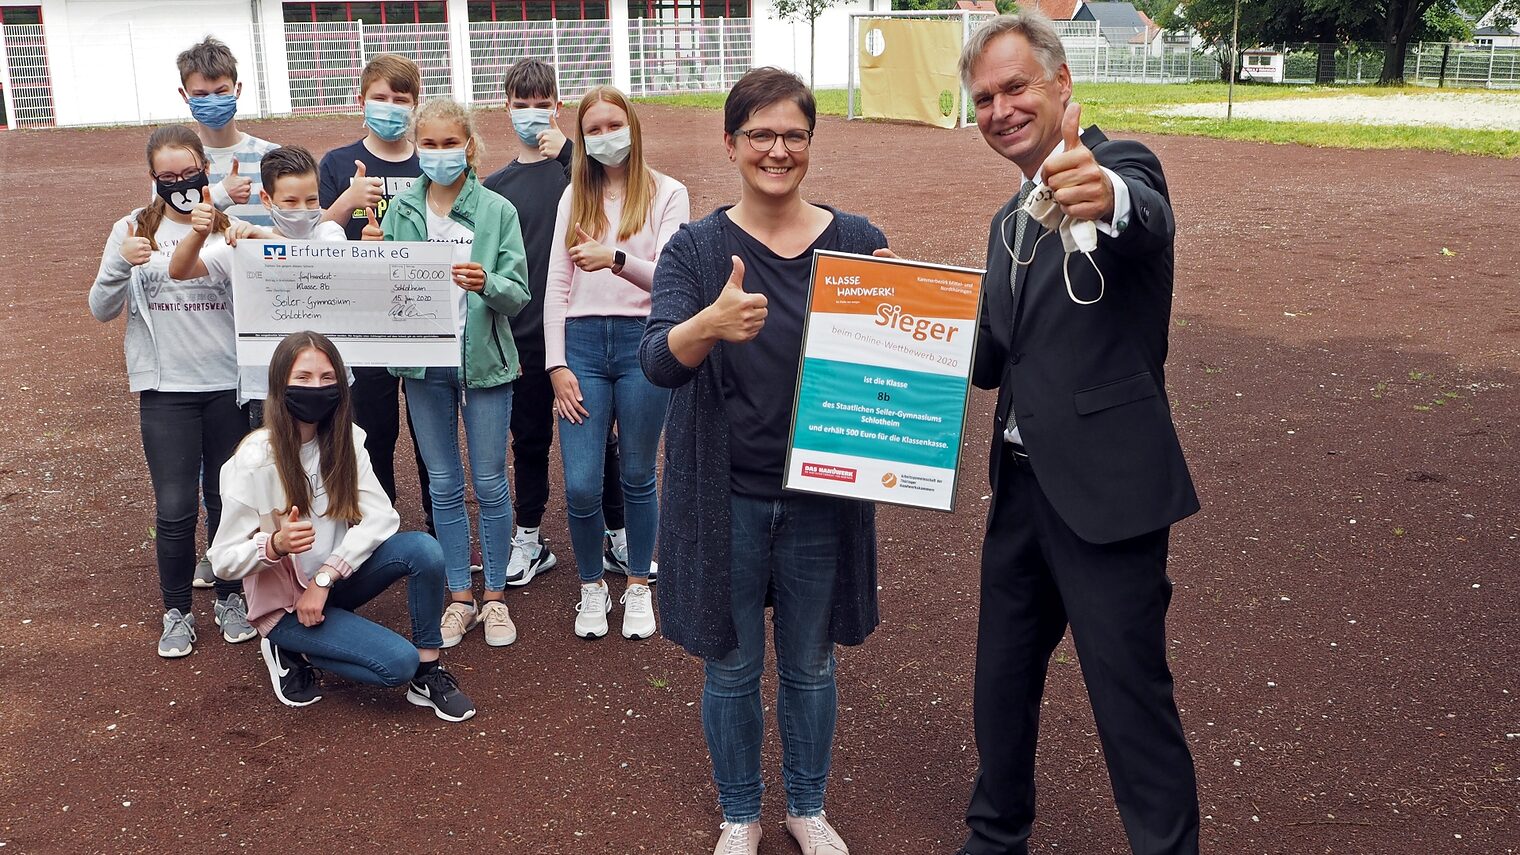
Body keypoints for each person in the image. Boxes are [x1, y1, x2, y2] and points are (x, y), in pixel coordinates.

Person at [954, 13, 1200, 855]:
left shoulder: (1118, 165)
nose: (1000, 109)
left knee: (1130, 695)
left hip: (1108, 491)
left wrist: (1113, 196)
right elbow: (989, 359)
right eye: (984, 97)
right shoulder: (1004, 225)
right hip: (1020, 490)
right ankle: (995, 837)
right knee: (1002, 682)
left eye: (1016, 87)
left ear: (1062, 84)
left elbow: (1147, 216)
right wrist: (887, 335)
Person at [639, 67, 887, 855]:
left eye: (793, 135)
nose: (777, 150)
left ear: (811, 142)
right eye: (761, 135)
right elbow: (657, 360)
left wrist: (909, 305)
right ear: (731, 142)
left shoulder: (855, 240)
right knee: (733, 665)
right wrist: (707, 323)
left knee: (810, 666)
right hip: (729, 495)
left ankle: (806, 806)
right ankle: (741, 811)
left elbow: (898, 370)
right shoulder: (697, 247)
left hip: (822, 495)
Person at [208, 331, 476, 722]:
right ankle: (290, 648)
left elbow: (383, 516)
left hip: (327, 586)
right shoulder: (252, 460)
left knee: (423, 549)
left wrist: (325, 579)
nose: (317, 388)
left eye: (327, 378)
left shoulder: (346, 440)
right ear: (279, 384)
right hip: (284, 607)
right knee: (395, 665)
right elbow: (222, 561)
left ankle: (428, 670)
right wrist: (275, 545)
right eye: (303, 378)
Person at [89, 124, 255, 657]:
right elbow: (100, 308)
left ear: (205, 166)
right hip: (166, 388)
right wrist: (120, 263)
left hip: (227, 384)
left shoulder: (229, 226)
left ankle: (229, 595)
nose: (181, 182)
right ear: (152, 178)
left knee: (227, 499)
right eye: (168, 176)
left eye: (190, 172)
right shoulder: (133, 229)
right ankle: (177, 610)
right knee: (176, 505)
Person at [376, 97, 532, 649]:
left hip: (485, 363)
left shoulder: (496, 211)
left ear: (469, 145)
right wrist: (373, 258)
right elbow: (384, 292)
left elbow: (517, 296)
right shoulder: (400, 211)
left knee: (490, 482)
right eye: (429, 143)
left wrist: (485, 281)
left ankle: (494, 596)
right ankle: (459, 596)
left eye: (450, 143)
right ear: (417, 147)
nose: (439, 153)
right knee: (443, 484)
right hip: (424, 365)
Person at [544, 85, 687, 641]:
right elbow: (557, 285)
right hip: (580, 344)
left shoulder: (668, 193)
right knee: (580, 483)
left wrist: (617, 259)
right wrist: (557, 364)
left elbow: (670, 279)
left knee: (637, 472)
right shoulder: (573, 197)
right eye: (594, 130)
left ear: (633, 126)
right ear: (581, 140)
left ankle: (637, 587)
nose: (606, 137)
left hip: (643, 343)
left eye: (613, 124)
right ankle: (590, 586)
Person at [315, 53, 434, 536]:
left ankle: (438, 522)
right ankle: (376, 529)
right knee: (372, 433)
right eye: (379, 98)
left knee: (432, 435)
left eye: (400, 100)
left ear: (415, 105)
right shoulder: (340, 164)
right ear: (360, 101)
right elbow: (312, 242)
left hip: (424, 320)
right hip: (365, 325)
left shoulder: (432, 156)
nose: (390, 107)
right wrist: (346, 204)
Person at [174, 37, 279, 230]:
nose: (212, 101)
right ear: (184, 95)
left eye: (221, 92)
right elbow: (167, 227)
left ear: (237, 89)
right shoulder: (175, 164)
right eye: (201, 95)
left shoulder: (273, 156)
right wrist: (221, 195)